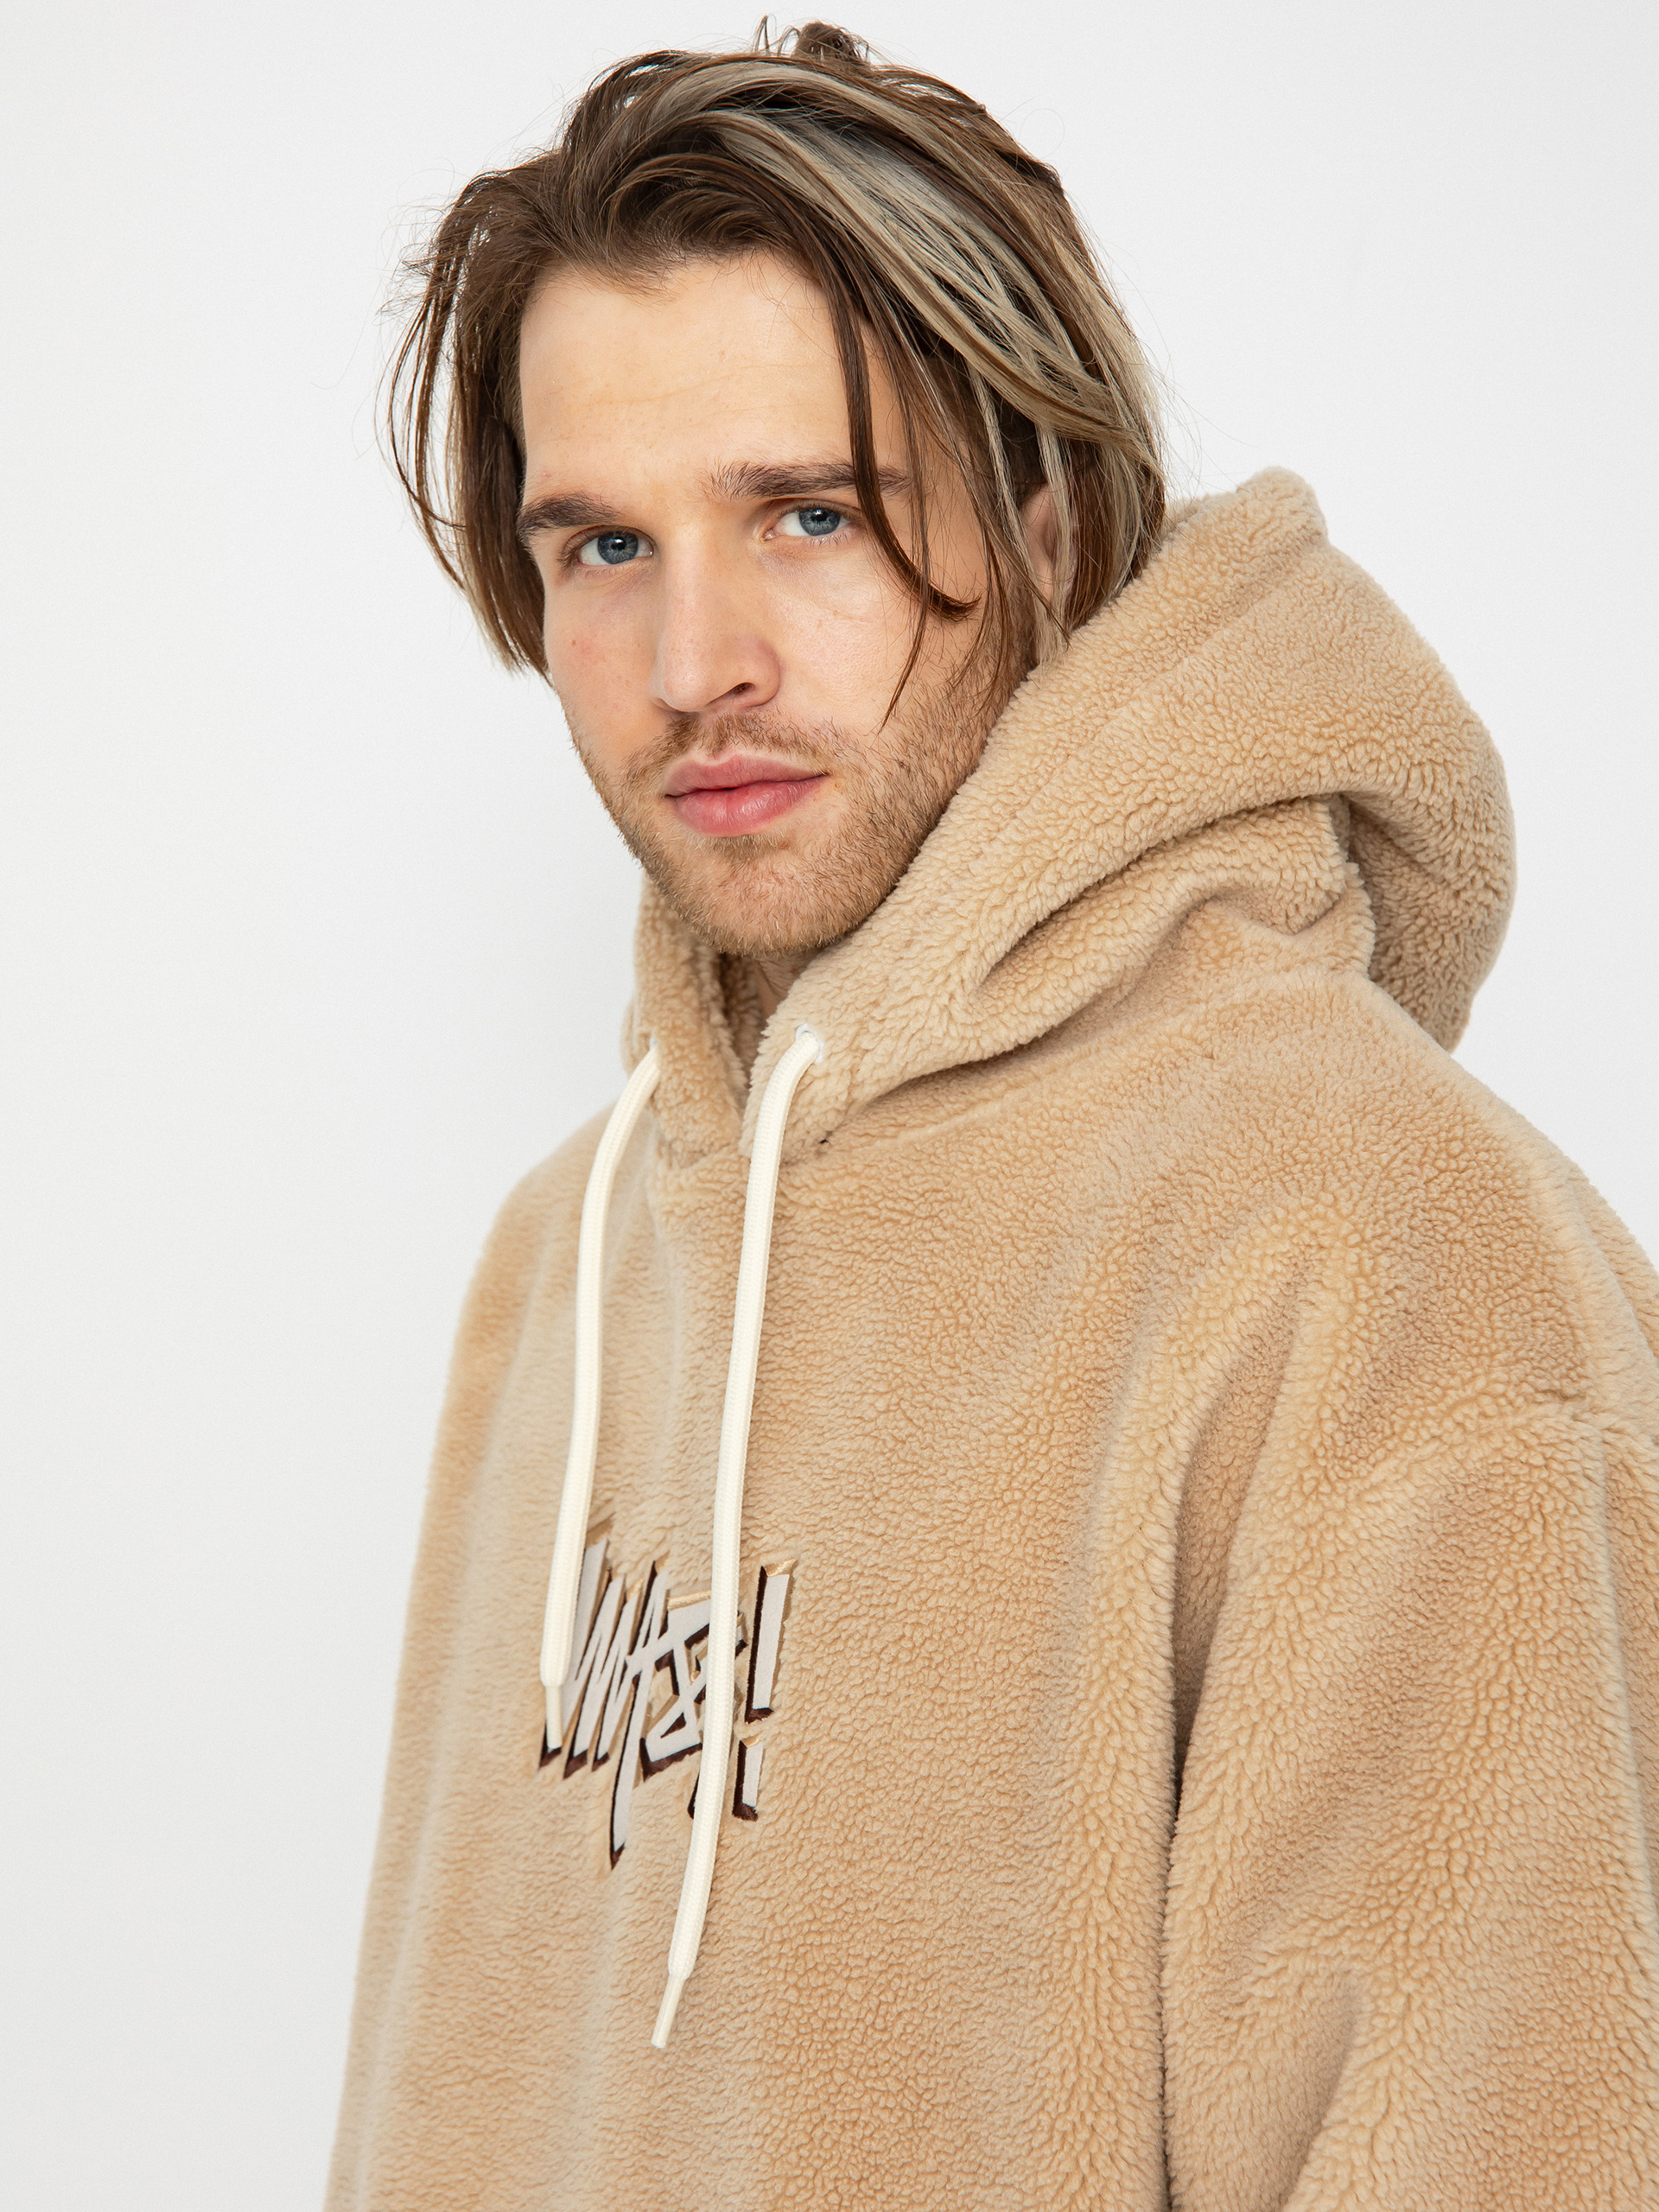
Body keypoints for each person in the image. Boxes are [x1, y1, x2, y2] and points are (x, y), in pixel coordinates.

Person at [328, 24, 1659, 2209]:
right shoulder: (567, 1257)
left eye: (811, 514)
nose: (696, 658)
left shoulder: (1382, 1248)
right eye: (603, 545)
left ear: (1047, 524)